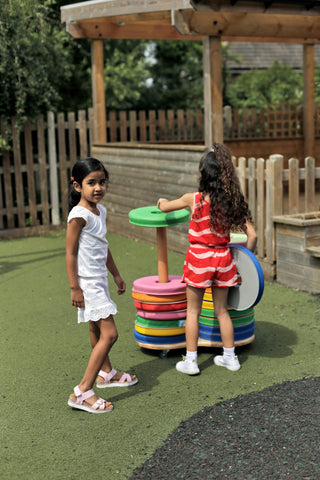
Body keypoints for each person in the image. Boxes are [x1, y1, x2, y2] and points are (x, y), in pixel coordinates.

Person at [157, 143, 257, 375]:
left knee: (193, 310)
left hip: (199, 259)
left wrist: (161, 201)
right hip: (223, 259)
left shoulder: (193, 199)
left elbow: (165, 208)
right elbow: (252, 235)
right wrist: (246, 261)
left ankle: (190, 362)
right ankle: (230, 358)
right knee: (222, 311)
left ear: (203, 174)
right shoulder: (231, 201)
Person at [66, 157, 138, 413]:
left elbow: (102, 247)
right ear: (77, 187)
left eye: (102, 182)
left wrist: (116, 275)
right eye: (91, 183)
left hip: (99, 280)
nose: (98, 187)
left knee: (96, 328)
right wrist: (75, 287)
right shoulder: (79, 215)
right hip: (87, 284)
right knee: (110, 334)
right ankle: (82, 391)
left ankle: (106, 373)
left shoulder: (100, 211)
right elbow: (70, 253)